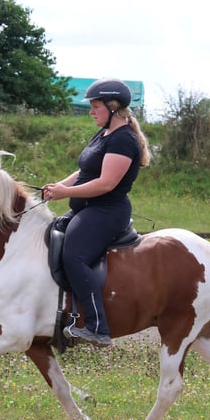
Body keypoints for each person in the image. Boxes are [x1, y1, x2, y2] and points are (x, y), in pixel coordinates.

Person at [43, 78, 152, 347]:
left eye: (95, 106)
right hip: (89, 208)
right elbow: (85, 171)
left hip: (107, 212)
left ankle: (97, 327)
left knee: (74, 255)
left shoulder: (124, 140)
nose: (91, 112)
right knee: (51, 235)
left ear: (113, 107)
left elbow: (106, 183)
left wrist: (65, 193)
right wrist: (59, 186)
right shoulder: (104, 133)